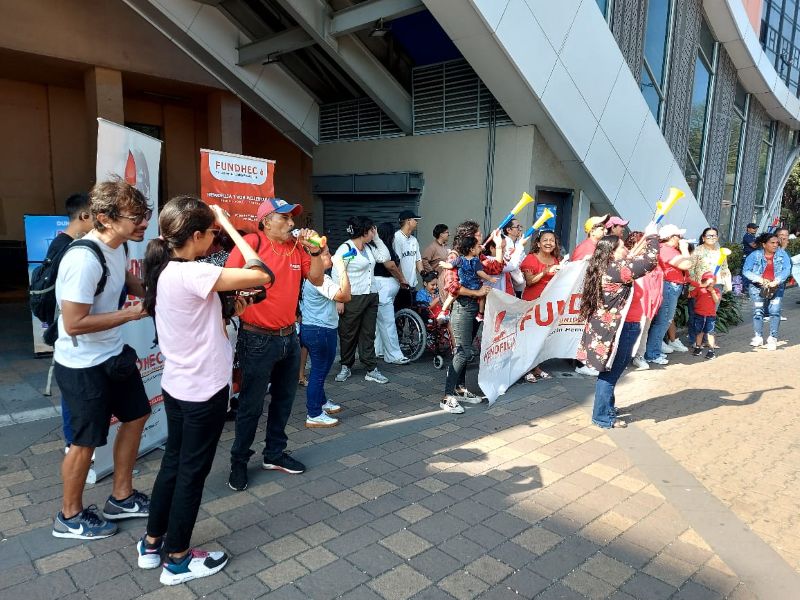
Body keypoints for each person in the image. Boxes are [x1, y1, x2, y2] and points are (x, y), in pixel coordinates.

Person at [138, 198, 271, 585]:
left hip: (179, 386)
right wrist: (230, 226)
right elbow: (261, 273)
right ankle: (177, 558)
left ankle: (152, 544)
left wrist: (229, 309)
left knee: (174, 464)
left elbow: (195, 318)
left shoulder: (164, 270)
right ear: (195, 236)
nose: (214, 241)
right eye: (211, 234)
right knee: (191, 473)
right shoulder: (191, 273)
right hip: (203, 389)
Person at [52, 179, 151, 540]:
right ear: (106, 218)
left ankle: (122, 497)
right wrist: (133, 314)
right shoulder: (82, 259)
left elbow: (123, 276)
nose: (143, 222)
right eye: (136, 216)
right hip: (82, 366)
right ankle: (69, 515)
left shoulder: (117, 246)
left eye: (146, 214)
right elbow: (74, 323)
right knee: (85, 441)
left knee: (138, 414)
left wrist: (150, 292)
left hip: (112, 353)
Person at [226, 198, 325, 492]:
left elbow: (317, 278)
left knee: (284, 400)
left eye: (292, 218)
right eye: (285, 219)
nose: (292, 224)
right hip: (256, 337)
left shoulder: (297, 247)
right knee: (251, 405)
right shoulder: (251, 244)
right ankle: (239, 461)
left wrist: (316, 251)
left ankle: (274, 454)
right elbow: (228, 280)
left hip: (289, 337)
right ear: (267, 221)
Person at [576, 222, 660, 429]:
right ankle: (602, 416)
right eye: (622, 247)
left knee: (613, 370)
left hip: (618, 327)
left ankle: (606, 408)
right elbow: (649, 262)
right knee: (611, 373)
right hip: (617, 329)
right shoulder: (615, 270)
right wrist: (653, 237)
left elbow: (634, 258)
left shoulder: (608, 266)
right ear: (611, 253)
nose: (626, 250)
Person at [44, 193, 94, 451]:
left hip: (68, 329)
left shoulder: (66, 243)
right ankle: (71, 443)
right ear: (84, 216)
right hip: (68, 334)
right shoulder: (71, 248)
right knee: (73, 397)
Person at [440, 221, 502, 414]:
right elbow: (453, 287)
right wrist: (477, 293)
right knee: (462, 351)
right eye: (478, 235)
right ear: (468, 238)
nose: (481, 238)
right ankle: (447, 396)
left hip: (473, 310)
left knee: (466, 351)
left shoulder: (476, 256)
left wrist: (499, 246)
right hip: (462, 308)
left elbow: (495, 269)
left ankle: (459, 389)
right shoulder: (455, 257)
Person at [332, 216, 392, 384]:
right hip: (352, 296)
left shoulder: (369, 247)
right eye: (372, 230)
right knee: (348, 333)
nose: (374, 232)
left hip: (371, 295)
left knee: (368, 333)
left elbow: (385, 257)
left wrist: (378, 239)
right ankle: (346, 366)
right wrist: (339, 298)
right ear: (365, 231)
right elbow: (337, 273)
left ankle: (371, 368)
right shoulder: (345, 248)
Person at [300, 246, 351, 428]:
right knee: (319, 373)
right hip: (320, 331)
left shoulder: (315, 277)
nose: (331, 255)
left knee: (317, 371)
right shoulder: (318, 279)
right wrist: (342, 268)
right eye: (327, 253)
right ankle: (314, 413)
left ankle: (321, 403)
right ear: (315, 259)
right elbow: (345, 296)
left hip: (314, 329)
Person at [642, 224, 692, 365]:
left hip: (670, 286)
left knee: (664, 321)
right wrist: (684, 249)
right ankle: (652, 354)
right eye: (679, 236)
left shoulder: (666, 249)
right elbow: (686, 264)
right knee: (663, 321)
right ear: (671, 237)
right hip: (669, 286)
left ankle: (654, 351)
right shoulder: (667, 250)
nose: (681, 239)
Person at [519, 229, 562, 382]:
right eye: (545, 240)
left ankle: (536, 367)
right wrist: (547, 271)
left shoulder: (556, 259)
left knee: (542, 338)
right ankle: (526, 369)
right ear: (538, 243)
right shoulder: (531, 258)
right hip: (532, 302)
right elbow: (530, 281)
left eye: (552, 240)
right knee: (530, 337)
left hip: (549, 304)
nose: (549, 243)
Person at [743, 232, 791, 351]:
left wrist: (777, 280)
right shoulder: (754, 255)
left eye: (777, 243)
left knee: (774, 311)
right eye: (772, 243)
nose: (775, 245)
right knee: (758, 311)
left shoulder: (782, 254)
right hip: (757, 288)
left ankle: (772, 338)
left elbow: (787, 269)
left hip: (776, 287)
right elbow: (746, 271)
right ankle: (758, 337)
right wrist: (759, 279)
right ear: (764, 244)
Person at [373, 221, 412, 365]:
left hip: (380, 287)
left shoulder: (375, 247)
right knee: (388, 322)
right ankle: (394, 355)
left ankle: (379, 350)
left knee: (379, 322)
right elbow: (390, 265)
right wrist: (402, 279)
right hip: (383, 286)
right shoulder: (385, 248)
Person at [624, 232, 663, 371]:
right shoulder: (630, 260)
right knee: (635, 330)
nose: (647, 247)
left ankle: (639, 356)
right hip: (636, 303)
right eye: (644, 244)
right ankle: (628, 356)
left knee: (644, 329)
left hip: (649, 302)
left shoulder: (651, 261)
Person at [687, 227, 731, 345]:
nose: (712, 238)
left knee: (711, 313)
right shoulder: (697, 251)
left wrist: (727, 284)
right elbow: (691, 269)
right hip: (700, 286)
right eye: (709, 235)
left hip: (716, 285)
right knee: (696, 314)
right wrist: (693, 286)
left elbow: (724, 267)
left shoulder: (720, 251)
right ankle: (694, 340)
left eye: (714, 235)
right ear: (703, 237)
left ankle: (707, 340)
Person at [438, 236, 497, 321]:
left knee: (451, 296)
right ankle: (480, 314)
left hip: (463, 284)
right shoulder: (476, 261)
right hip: (474, 286)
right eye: (478, 246)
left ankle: (443, 311)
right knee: (482, 296)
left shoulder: (459, 259)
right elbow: (480, 272)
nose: (479, 248)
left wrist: (443, 264)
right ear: (472, 250)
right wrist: (490, 278)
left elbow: (450, 265)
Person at [393, 210, 423, 309]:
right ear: (408, 221)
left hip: (412, 284)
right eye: (415, 220)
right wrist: (402, 280)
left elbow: (418, 260)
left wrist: (424, 274)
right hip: (400, 285)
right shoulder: (397, 238)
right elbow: (397, 262)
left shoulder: (414, 240)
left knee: (410, 311)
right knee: (400, 312)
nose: (417, 222)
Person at [689, 272, 720, 360]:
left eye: (713, 281)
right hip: (699, 314)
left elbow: (716, 300)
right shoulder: (699, 289)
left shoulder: (716, 290)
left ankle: (711, 350)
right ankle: (698, 347)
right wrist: (694, 286)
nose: (711, 283)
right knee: (699, 332)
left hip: (710, 316)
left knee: (710, 333)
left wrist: (712, 291)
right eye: (709, 281)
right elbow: (690, 295)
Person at [502, 219, 526, 296]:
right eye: (517, 227)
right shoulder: (503, 242)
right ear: (508, 230)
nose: (520, 229)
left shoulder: (518, 242)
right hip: (506, 283)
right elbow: (511, 264)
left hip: (518, 284)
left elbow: (522, 260)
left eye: (520, 227)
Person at [741, 222, 759, 295]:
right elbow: (754, 245)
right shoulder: (747, 236)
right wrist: (761, 242)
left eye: (756, 228)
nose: (755, 229)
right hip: (748, 256)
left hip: (753, 257)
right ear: (748, 229)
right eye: (753, 228)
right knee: (746, 272)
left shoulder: (752, 236)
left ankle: (749, 288)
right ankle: (745, 288)